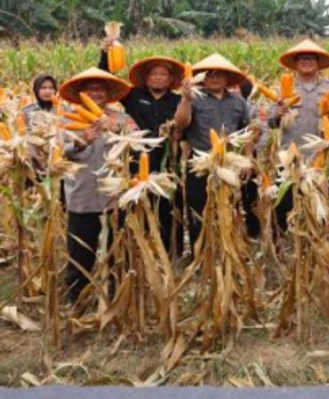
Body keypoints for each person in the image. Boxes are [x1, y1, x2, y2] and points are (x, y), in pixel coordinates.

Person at [99, 41, 187, 255]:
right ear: (146, 78)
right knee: (132, 201)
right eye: (154, 74)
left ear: (170, 79)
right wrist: (105, 54)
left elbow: (186, 123)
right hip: (137, 159)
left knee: (167, 205)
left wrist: (179, 134)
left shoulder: (177, 100)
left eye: (163, 74)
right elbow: (106, 81)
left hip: (167, 160)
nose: (158, 77)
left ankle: (169, 252)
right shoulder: (133, 96)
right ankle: (130, 248)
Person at [58, 68, 133, 302]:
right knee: (81, 250)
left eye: (100, 89)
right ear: (81, 93)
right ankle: (75, 297)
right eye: (90, 89)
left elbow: (138, 140)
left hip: (114, 196)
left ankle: (116, 295)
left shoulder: (120, 118)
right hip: (83, 195)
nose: (96, 93)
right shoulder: (66, 120)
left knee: (117, 249)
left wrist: (117, 130)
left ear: (108, 94)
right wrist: (80, 143)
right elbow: (57, 154)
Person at [174, 54, 252, 254]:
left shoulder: (238, 102)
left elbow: (248, 132)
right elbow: (181, 123)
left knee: (229, 208)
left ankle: (228, 252)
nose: (214, 78)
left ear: (227, 78)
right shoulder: (194, 99)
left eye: (219, 74)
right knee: (197, 210)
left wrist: (248, 159)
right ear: (202, 78)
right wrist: (185, 99)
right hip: (200, 163)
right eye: (209, 74)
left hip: (228, 163)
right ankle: (200, 256)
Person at [268, 39, 329, 233]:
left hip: (321, 155)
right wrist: (277, 115)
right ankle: (284, 242)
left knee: (321, 201)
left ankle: (321, 239)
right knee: (285, 201)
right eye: (302, 58)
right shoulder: (281, 89)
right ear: (295, 63)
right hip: (290, 153)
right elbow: (269, 122)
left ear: (318, 63)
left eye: (311, 58)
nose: (307, 62)